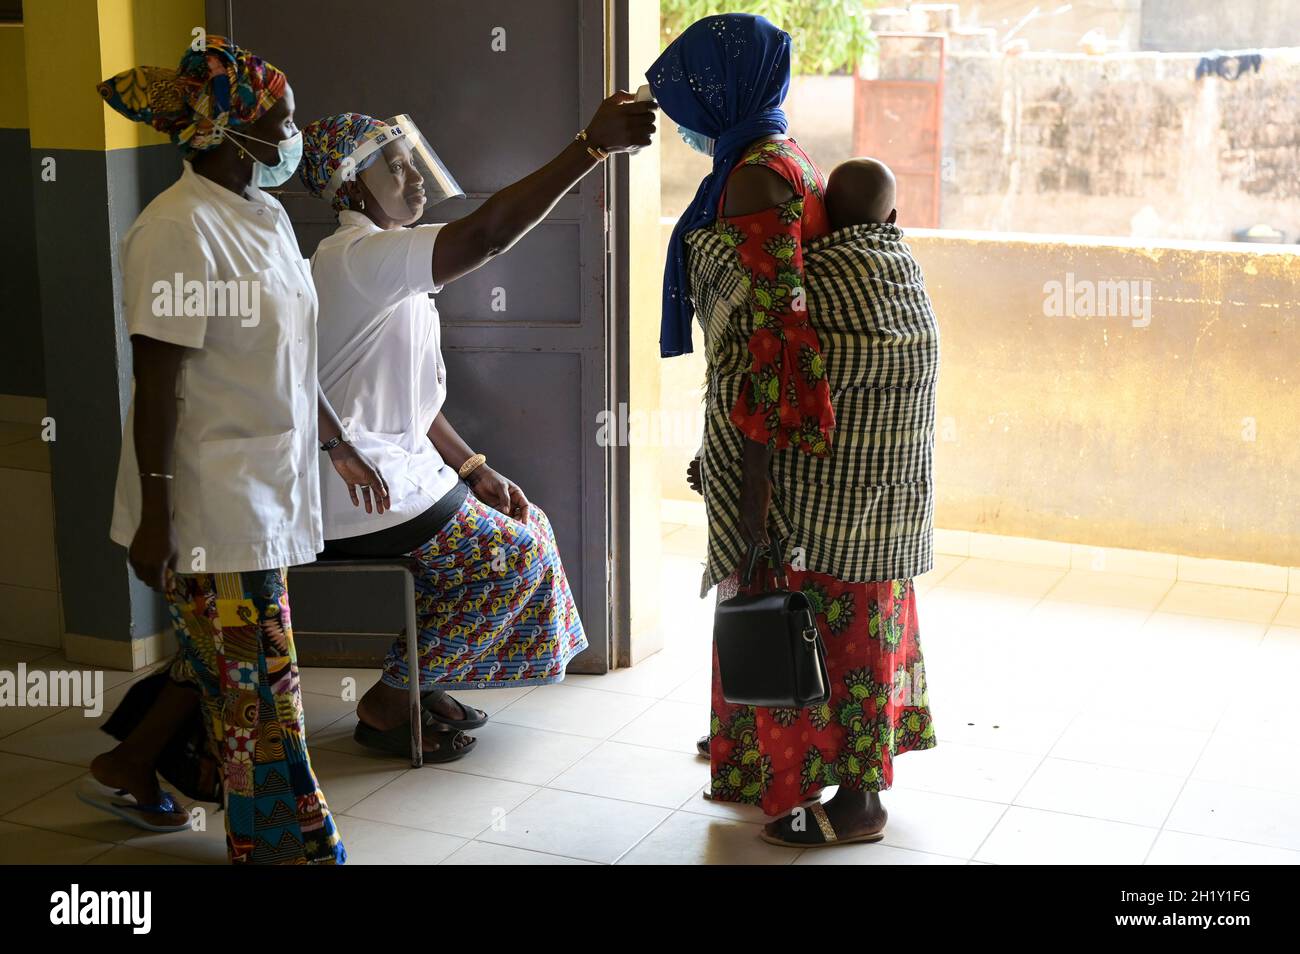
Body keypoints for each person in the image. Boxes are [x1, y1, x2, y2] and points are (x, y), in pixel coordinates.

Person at [83, 37, 391, 864]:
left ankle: (128, 763)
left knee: (222, 668)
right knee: (263, 698)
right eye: (281, 122)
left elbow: (293, 351)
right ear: (226, 131)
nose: (293, 137)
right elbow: (155, 384)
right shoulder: (175, 231)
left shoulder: (266, 215)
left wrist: (337, 442)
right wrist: (156, 517)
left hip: (264, 486)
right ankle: (291, 848)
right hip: (209, 503)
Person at [650, 16, 939, 848]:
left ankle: (857, 802)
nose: (681, 118)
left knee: (811, 602)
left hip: (804, 446)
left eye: (687, 98)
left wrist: (754, 475)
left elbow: (779, 332)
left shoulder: (755, 179)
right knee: (814, 607)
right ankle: (762, 755)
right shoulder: (783, 158)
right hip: (829, 445)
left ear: (722, 89)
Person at [296, 95, 655, 760]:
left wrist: (471, 467)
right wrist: (590, 149)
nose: (416, 180)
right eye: (396, 169)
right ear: (350, 186)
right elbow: (487, 235)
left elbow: (417, 402)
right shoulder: (359, 257)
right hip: (356, 489)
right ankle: (387, 704)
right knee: (514, 558)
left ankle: (420, 684)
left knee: (527, 526)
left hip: (397, 474)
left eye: (413, 165)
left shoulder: (387, 263)